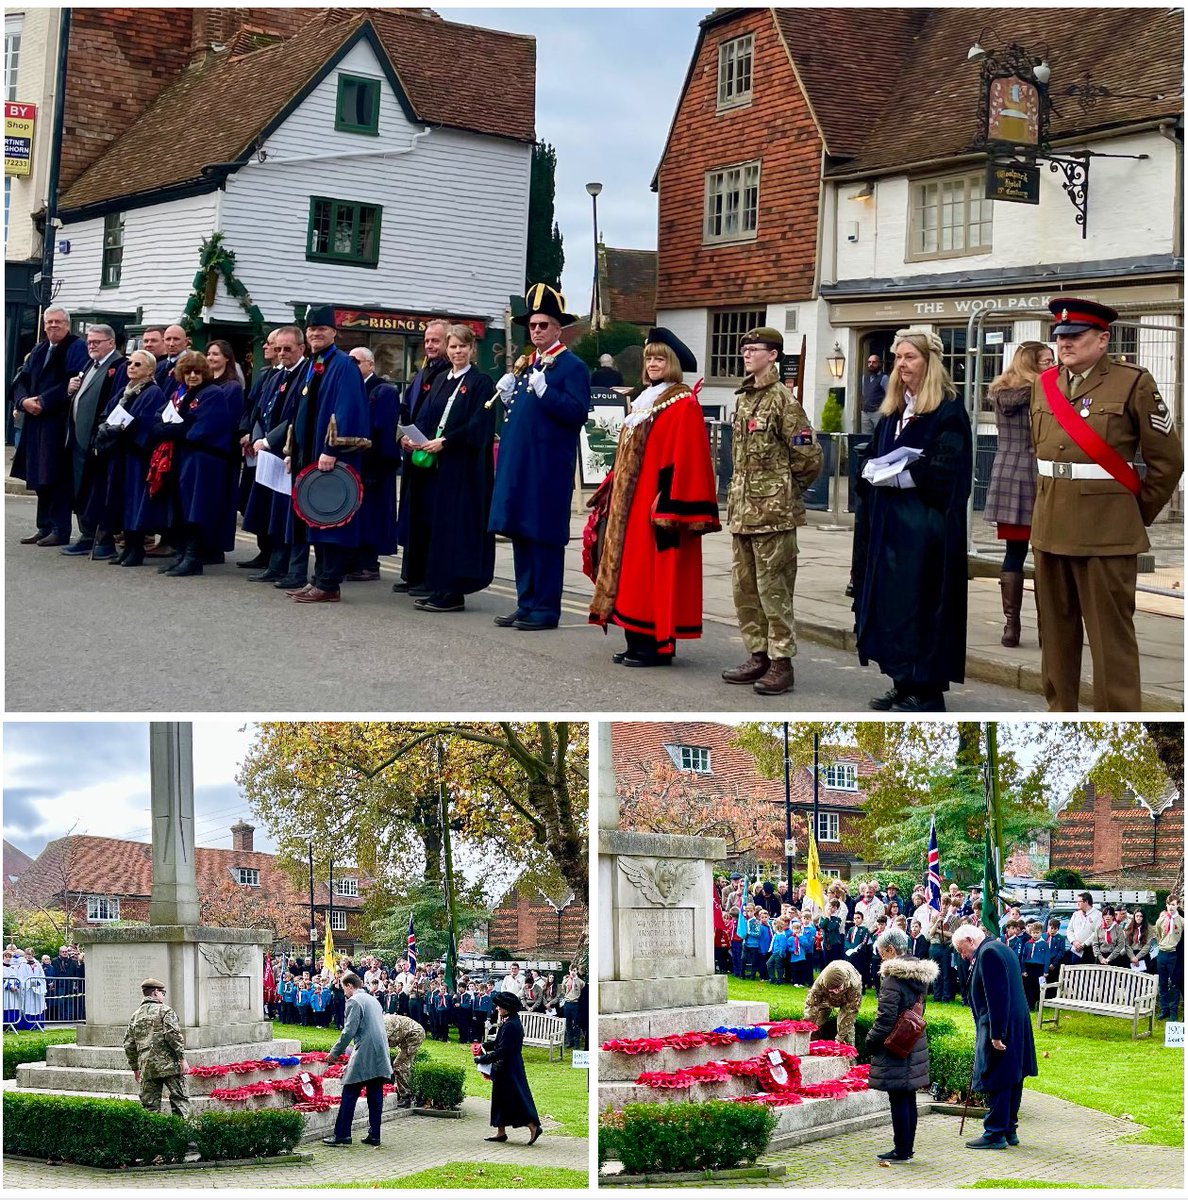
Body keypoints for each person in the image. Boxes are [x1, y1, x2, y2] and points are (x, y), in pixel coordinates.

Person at [1030, 297, 1184, 710]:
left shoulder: (1132, 382)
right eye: (1060, 336)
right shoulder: (1044, 385)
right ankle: (1060, 717)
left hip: (1106, 535)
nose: (1065, 343)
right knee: (1055, 640)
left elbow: (1168, 461)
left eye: (1076, 336)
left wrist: (1134, 514)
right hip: (1050, 529)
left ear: (1102, 339)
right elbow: (1042, 455)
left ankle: (1117, 720)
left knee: (1110, 644)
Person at [853, 326, 972, 711]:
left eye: (910, 357)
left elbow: (947, 469)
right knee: (892, 605)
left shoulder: (948, 409)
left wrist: (902, 476)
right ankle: (901, 681)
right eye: (898, 358)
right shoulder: (893, 410)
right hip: (890, 526)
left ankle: (927, 688)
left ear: (929, 361)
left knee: (922, 605)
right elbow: (873, 452)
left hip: (926, 529)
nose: (901, 365)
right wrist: (869, 470)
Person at [588, 328, 720, 666]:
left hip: (656, 504)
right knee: (631, 575)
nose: (653, 364)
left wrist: (669, 505)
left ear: (671, 362)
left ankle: (654, 646)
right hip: (629, 503)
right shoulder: (645, 400)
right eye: (649, 359)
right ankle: (635, 642)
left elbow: (688, 459)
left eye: (660, 358)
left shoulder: (682, 402)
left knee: (650, 575)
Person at [719, 326, 821, 695]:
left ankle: (782, 663)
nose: (747, 354)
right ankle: (757, 654)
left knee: (774, 591)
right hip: (743, 512)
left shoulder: (783, 400)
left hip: (774, 515)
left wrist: (785, 491)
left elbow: (808, 456)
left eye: (755, 349)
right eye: (744, 349)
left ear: (773, 355)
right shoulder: (745, 399)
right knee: (745, 590)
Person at [488, 284, 590, 631]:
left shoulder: (571, 366)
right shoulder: (529, 363)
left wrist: (547, 393)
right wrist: (507, 399)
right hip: (521, 464)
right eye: (532, 326)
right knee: (521, 531)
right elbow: (523, 415)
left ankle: (545, 608)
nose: (536, 331)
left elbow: (577, 412)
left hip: (547, 466)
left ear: (558, 328)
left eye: (543, 325)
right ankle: (526, 603)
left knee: (543, 534)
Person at [286, 306, 372, 603]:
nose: (315, 334)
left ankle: (329, 583)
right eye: (311, 330)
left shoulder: (344, 365)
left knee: (332, 519)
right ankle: (319, 579)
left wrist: (331, 449)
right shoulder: (314, 364)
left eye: (321, 329)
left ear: (334, 332)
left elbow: (347, 409)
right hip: (309, 454)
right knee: (315, 518)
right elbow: (300, 410)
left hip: (330, 456)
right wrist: (293, 450)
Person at [409, 324, 498, 613]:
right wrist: (415, 437)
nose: (457, 352)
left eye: (463, 346)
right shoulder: (440, 380)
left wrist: (446, 442)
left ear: (472, 349)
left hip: (462, 467)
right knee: (436, 526)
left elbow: (479, 425)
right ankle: (437, 586)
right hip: (436, 466)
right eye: (453, 346)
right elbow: (428, 416)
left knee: (454, 527)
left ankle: (453, 591)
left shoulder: (480, 382)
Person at [983, 341, 1053, 647]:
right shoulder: (1041, 392)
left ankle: (1011, 628)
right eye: (1047, 360)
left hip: (1005, 473)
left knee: (1014, 552)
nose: (1053, 365)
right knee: (1044, 556)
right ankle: (1046, 630)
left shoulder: (1000, 392)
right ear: (1031, 363)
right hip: (1036, 473)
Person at [953, 924, 1038, 1149]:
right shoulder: (1002, 948)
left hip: (1001, 1023)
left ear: (970, 940)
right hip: (1016, 1021)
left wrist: (996, 1033)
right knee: (1013, 1075)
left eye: (962, 949)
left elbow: (997, 996)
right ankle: (1009, 1129)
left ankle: (995, 1133)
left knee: (999, 1076)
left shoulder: (988, 953)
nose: (962, 955)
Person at [11, 306, 90, 546]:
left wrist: (44, 401)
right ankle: (43, 526)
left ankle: (59, 528)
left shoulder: (76, 347)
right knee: (38, 475)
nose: (53, 325)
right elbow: (21, 378)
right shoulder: (40, 348)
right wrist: (23, 401)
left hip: (57, 421)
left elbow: (73, 381)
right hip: (35, 420)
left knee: (56, 475)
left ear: (67, 324)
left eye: (58, 322)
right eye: (49, 322)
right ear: (44, 325)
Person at [157, 351, 240, 576]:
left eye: (197, 371)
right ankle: (182, 554)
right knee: (182, 508)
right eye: (188, 372)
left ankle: (194, 558)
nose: (192, 376)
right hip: (184, 457)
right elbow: (162, 416)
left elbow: (202, 428)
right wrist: (167, 428)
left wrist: (175, 430)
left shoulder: (212, 393)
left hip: (204, 459)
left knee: (196, 508)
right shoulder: (180, 392)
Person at [84, 349, 165, 568]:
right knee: (120, 499)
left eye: (138, 364)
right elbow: (108, 412)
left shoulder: (153, 392)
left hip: (136, 456)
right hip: (118, 454)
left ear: (150, 370)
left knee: (134, 501)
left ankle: (136, 548)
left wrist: (121, 431)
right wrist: (105, 428)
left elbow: (147, 423)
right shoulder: (125, 390)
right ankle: (128, 546)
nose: (131, 367)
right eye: (130, 363)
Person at [865, 926, 937, 1163]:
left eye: (881, 953)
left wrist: (870, 1041)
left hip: (895, 1044)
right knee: (908, 1097)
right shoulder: (918, 973)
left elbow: (885, 1018)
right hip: (912, 1040)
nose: (881, 958)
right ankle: (906, 1148)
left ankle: (901, 1150)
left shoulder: (893, 978)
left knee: (898, 1098)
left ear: (890, 949)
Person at [61, 324, 128, 560]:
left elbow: (117, 403)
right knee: (80, 488)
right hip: (79, 438)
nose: (91, 345)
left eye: (97, 342)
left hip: (99, 440)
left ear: (111, 342)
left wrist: (99, 435)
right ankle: (87, 534)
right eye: (89, 342)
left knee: (97, 491)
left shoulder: (119, 366)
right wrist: (71, 390)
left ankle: (100, 538)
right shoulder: (91, 363)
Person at [394, 319, 451, 593]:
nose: (429, 345)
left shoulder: (449, 374)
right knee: (413, 515)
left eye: (435, 341)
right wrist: (401, 437)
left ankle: (428, 577)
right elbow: (405, 409)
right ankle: (412, 574)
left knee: (429, 517)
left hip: (434, 455)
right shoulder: (422, 372)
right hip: (413, 452)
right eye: (427, 340)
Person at [346, 346, 401, 582]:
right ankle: (354, 561)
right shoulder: (351, 388)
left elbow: (384, 430)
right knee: (355, 516)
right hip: (355, 463)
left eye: (356, 361)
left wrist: (379, 467)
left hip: (375, 464)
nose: (352, 366)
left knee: (373, 516)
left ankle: (369, 564)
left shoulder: (382, 390)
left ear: (370, 365)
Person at [323, 972, 392, 1147]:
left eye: (343, 988)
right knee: (375, 1095)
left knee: (349, 1091)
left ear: (349, 986)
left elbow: (349, 1031)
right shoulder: (373, 1000)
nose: (344, 992)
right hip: (380, 1051)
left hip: (365, 1052)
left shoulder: (354, 1001)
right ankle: (374, 1135)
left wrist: (334, 1052)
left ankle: (342, 1134)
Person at [473, 991, 542, 1145]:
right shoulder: (510, 1021)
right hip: (506, 1066)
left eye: (499, 1006)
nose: (497, 1008)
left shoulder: (511, 1025)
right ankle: (501, 1132)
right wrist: (483, 1046)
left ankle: (533, 1126)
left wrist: (482, 1059)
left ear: (507, 1007)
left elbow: (504, 1050)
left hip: (509, 1067)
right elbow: (499, 1042)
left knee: (515, 1097)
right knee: (500, 1098)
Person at [122, 977, 190, 1118]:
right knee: (180, 1101)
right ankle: (182, 1130)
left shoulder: (135, 1016)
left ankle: (153, 1131)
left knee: (150, 1107)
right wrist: (182, 1059)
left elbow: (129, 1045)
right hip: (169, 1065)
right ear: (155, 992)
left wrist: (135, 1068)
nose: (163, 996)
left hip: (148, 1066)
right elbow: (173, 1036)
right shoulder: (165, 1011)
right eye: (162, 993)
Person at [803, 958, 864, 1047]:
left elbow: (851, 1011)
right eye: (833, 989)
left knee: (847, 1032)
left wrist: (840, 1037)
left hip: (847, 997)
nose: (836, 992)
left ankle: (848, 1053)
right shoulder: (820, 984)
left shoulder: (854, 984)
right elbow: (811, 1005)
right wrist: (807, 1029)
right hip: (827, 996)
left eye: (838, 988)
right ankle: (810, 1047)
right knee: (815, 1025)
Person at [383, 1011, 426, 1106]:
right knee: (402, 1065)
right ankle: (403, 1091)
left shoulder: (384, 1024)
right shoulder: (380, 1023)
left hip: (414, 1035)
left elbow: (382, 1045)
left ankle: (406, 1097)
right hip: (406, 1036)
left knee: (399, 1065)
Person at [1155, 897, 1182, 1019]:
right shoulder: (1161, 920)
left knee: (1175, 984)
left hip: (1174, 955)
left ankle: (1173, 1012)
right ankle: (1164, 1009)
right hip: (1162, 953)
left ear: (1177, 906)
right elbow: (1158, 934)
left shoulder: (1182, 921)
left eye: (1173, 904)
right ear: (1166, 905)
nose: (1171, 907)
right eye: (1169, 904)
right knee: (1162, 983)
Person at [1065, 891, 1102, 967]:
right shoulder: (1076, 914)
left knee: (1088, 972)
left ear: (1086, 902)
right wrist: (1074, 941)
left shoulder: (1098, 915)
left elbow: (1096, 933)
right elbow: (1069, 930)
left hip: (1090, 950)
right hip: (1076, 950)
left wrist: (1083, 945)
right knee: (1074, 971)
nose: (1077, 903)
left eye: (1079, 901)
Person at [860, 352, 888, 436]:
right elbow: (864, 393)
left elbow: (889, 396)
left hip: (878, 413)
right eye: (869, 362)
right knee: (866, 437)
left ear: (879, 364)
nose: (871, 364)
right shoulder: (864, 378)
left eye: (874, 362)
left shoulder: (884, 378)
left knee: (879, 435)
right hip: (865, 413)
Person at [562, 965, 584, 1049]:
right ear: (569, 971)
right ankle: (570, 1041)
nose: (573, 972)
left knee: (576, 1024)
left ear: (577, 971)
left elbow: (579, 990)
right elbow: (563, 990)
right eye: (571, 970)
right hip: (567, 1003)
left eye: (574, 970)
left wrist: (575, 979)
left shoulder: (580, 982)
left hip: (575, 1004)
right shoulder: (566, 980)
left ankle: (576, 1043)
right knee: (568, 1024)